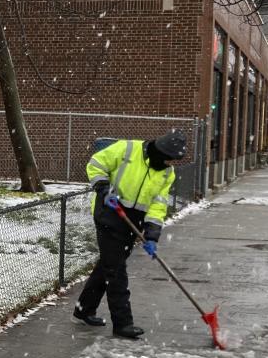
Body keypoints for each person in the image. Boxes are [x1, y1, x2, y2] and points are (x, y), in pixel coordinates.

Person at [74, 131, 187, 339]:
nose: (166, 163)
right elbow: (96, 163)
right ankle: (123, 323)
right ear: (157, 149)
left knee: (108, 265)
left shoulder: (166, 173)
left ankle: (84, 308)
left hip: (132, 221)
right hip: (109, 213)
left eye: (170, 160)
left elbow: (157, 205)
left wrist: (152, 235)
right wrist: (103, 188)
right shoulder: (127, 149)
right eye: (164, 158)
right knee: (116, 270)